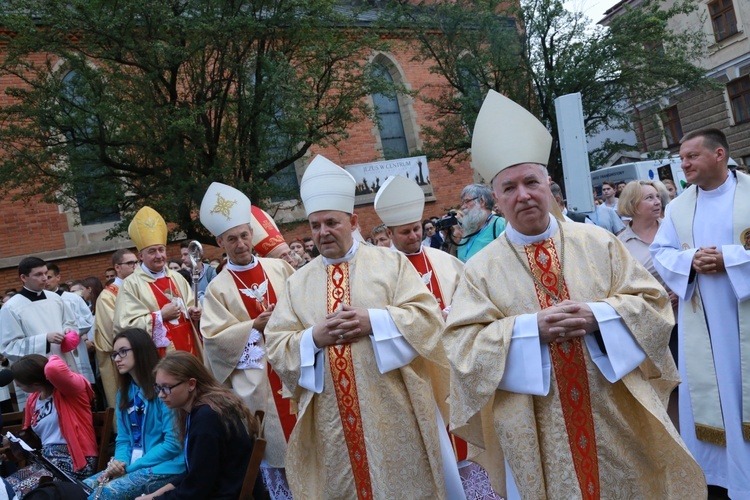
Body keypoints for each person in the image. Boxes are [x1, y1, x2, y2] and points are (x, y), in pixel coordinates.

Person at [444, 90, 705, 499]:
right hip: (534, 424)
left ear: (549, 186)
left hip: (614, 409)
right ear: (496, 199)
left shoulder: (598, 242)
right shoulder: (480, 269)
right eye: (509, 187)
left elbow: (653, 306)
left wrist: (597, 317)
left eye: (532, 182)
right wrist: (532, 330)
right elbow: (462, 346)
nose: (523, 194)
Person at [265, 155, 463, 499]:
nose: (322, 232)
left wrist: (373, 321)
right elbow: (276, 345)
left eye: (331, 222)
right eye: (315, 225)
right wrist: (315, 337)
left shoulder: (390, 264)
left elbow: (428, 320)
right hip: (332, 422)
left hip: (394, 410)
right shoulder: (298, 284)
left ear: (353, 220)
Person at [374, 176, 499, 498]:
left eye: (417, 228)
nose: (414, 235)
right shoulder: (379, 272)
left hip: (455, 367)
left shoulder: (446, 261)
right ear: (388, 234)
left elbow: (475, 303)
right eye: (405, 231)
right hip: (417, 373)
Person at [651, 128, 750, 499]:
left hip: (744, 316)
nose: (684, 164)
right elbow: (661, 252)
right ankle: (724, 481)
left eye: (692, 156)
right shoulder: (678, 207)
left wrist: (732, 259)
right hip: (703, 325)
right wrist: (690, 260)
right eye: (682, 157)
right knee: (716, 400)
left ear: (719, 154)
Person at [198, 182, 295, 497]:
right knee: (277, 458)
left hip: (294, 369)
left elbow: (304, 308)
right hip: (257, 383)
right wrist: (254, 325)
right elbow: (213, 340)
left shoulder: (279, 268)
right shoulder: (218, 288)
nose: (239, 244)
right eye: (231, 239)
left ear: (251, 234)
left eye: (243, 235)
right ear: (219, 242)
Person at [141, 351, 262, 500]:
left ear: (191, 384)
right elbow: (195, 472)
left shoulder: (206, 419)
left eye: (166, 387)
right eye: (158, 388)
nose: (161, 395)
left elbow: (197, 488)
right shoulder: (203, 410)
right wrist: (154, 495)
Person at [84, 329, 184, 499]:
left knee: (103, 495)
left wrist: (130, 468)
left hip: (165, 466)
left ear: (141, 349)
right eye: (114, 354)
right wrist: (119, 464)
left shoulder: (164, 389)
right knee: (83, 488)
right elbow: (123, 439)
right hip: (131, 464)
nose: (116, 358)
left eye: (123, 352)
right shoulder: (123, 393)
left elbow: (173, 444)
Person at [113, 207, 202, 359]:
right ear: (140, 256)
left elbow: (191, 305)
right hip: (158, 356)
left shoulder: (176, 277)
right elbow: (124, 326)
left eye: (161, 250)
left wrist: (196, 312)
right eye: (152, 251)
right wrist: (160, 316)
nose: (159, 255)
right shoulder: (131, 284)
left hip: (188, 346)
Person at [6, 355, 97, 497]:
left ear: (36, 383)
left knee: (21, 492)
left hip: (73, 459)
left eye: (20, 385)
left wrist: (50, 354)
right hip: (45, 459)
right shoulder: (33, 399)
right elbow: (29, 433)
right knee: (7, 486)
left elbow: (54, 369)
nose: (17, 386)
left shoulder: (71, 392)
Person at [0, 257, 81, 410]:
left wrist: (68, 331)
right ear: (23, 278)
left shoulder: (55, 298)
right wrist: (45, 339)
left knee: (73, 411)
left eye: (45, 273)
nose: (44, 278)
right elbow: (8, 346)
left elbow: (70, 323)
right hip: (36, 374)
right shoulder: (11, 308)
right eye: (38, 275)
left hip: (64, 364)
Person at [95, 249, 139, 408]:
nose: (135, 266)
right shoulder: (107, 297)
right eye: (130, 263)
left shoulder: (140, 287)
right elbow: (115, 330)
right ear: (117, 268)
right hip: (125, 357)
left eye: (136, 262)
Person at [44, 264, 96, 384]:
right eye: (43, 277)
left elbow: (88, 320)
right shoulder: (41, 302)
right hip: (53, 348)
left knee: (81, 383)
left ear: (58, 277)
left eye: (49, 277)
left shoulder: (72, 298)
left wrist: (68, 330)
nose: (46, 281)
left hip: (74, 346)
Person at [455, 184, 505, 262]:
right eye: (463, 203)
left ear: (482, 201)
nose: (463, 207)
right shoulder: (469, 230)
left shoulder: (500, 225)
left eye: (467, 201)